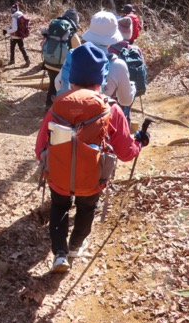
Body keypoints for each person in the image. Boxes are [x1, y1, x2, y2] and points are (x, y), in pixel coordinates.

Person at [35, 44, 149, 273]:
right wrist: (140, 142)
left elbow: (40, 149)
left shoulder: (58, 105)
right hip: (92, 178)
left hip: (58, 175)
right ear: (102, 78)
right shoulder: (111, 109)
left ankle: (59, 254)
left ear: (72, 75)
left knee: (59, 206)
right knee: (87, 208)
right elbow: (126, 153)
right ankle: (75, 247)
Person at [56, 10, 136, 110]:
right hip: (97, 119)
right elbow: (125, 101)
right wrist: (133, 88)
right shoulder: (118, 65)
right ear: (113, 37)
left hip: (68, 115)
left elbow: (57, 83)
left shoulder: (74, 55)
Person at [40, 8, 81, 110]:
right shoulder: (71, 33)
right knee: (63, 87)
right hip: (62, 66)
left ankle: (48, 106)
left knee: (52, 84)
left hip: (48, 62)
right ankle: (60, 110)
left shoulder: (54, 28)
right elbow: (79, 51)